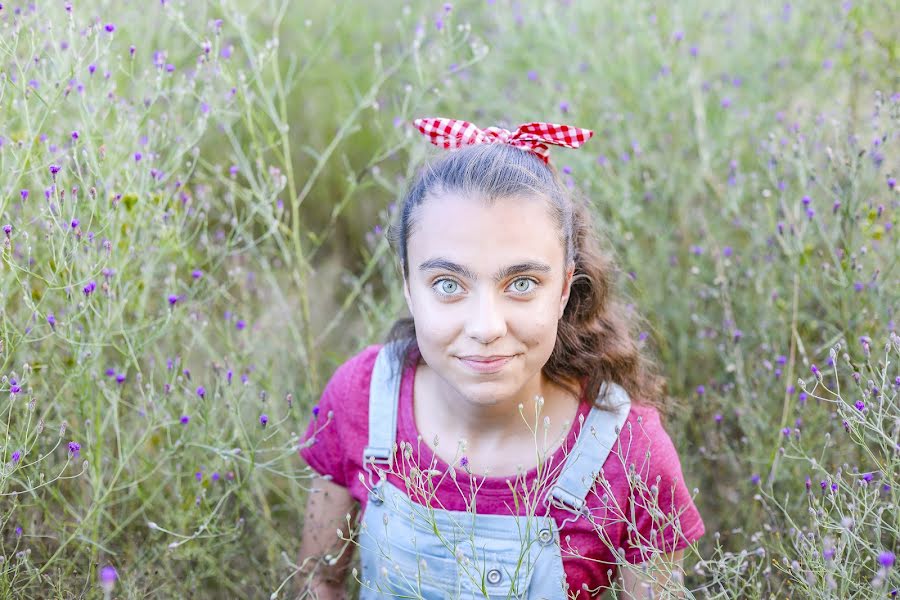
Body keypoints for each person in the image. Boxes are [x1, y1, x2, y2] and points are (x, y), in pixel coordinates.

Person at [296, 117, 705, 599]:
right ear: (408, 287)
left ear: (564, 288)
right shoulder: (362, 397)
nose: (486, 327)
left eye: (522, 284)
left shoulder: (631, 455)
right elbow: (317, 580)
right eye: (448, 285)